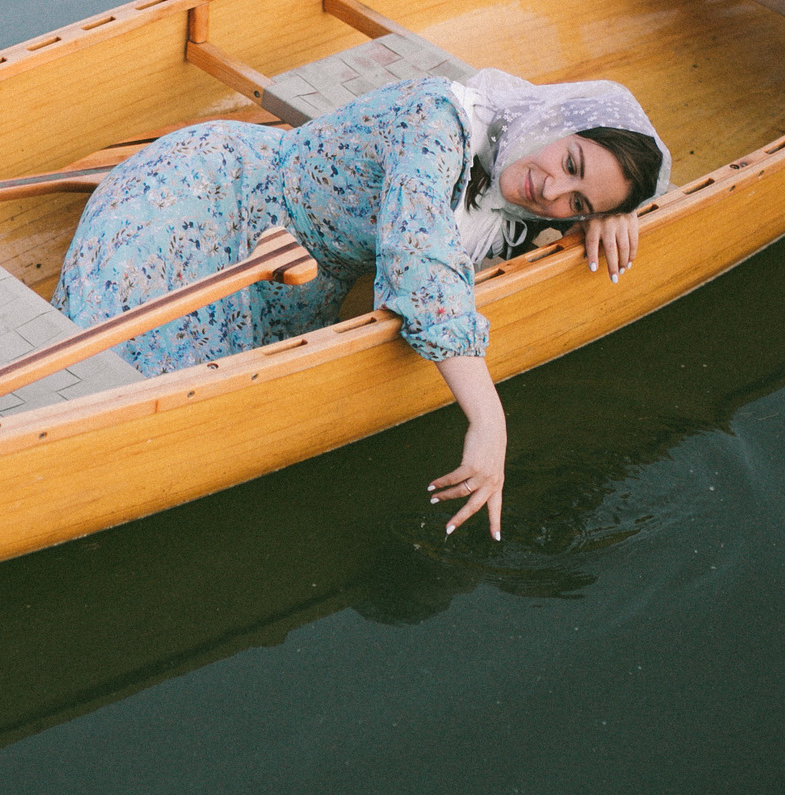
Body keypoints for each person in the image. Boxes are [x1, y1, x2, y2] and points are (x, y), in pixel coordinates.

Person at [47, 69, 669, 541]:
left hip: (291, 275)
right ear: (552, 120)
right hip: (212, 197)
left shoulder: (520, 199)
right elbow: (420, 262)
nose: (553, 190)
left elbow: (488, 234)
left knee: (186, 407)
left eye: (579, 202)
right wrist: (489, 420)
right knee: (110, 372)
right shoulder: (439, 119)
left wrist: (606, 220)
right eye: (569, 162)